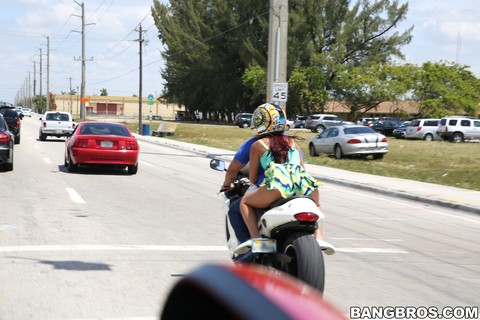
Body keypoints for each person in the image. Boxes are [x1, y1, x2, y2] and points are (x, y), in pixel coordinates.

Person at [222, 103, 334, 255]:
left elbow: (254, 179)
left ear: (260, 122)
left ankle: (257, 240)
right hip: (304, 184)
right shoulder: (294, 142)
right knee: (316, 204)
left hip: (277, 187)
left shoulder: (257, 145)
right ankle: (319, 237)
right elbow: (302, 170)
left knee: (244, 202)